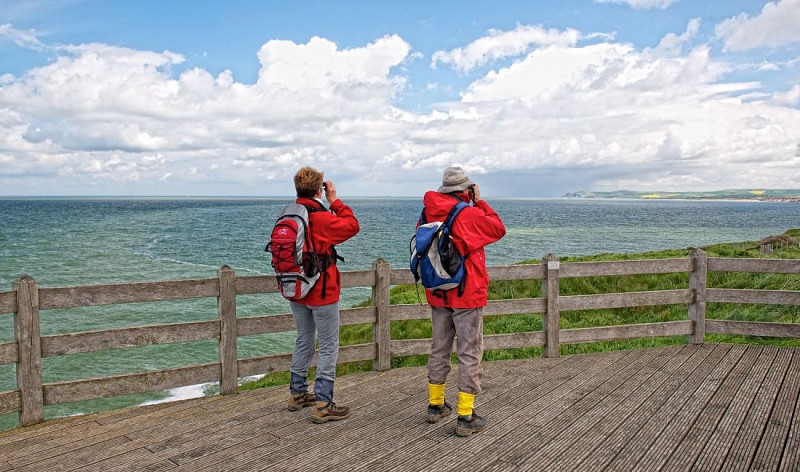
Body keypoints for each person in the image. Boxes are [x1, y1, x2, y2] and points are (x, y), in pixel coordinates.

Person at [421, 166, 506, 437]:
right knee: (469, 352)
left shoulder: (427, 212)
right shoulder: (467, 213)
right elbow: (497, 229)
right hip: (466, 293)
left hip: (437, 290)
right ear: (465, 190)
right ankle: (465, 415)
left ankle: (436, 406)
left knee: (439, 347)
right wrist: (480, 201)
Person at [286, 166, 360, 423]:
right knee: (328, 345)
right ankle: (323, 403)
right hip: (322, 290)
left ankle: (297, 394)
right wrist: (335, 200)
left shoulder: (290, 215)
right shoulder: (322, 217)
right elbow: (352, 226)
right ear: (319, 190)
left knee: (304, 339)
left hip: (296, 289)